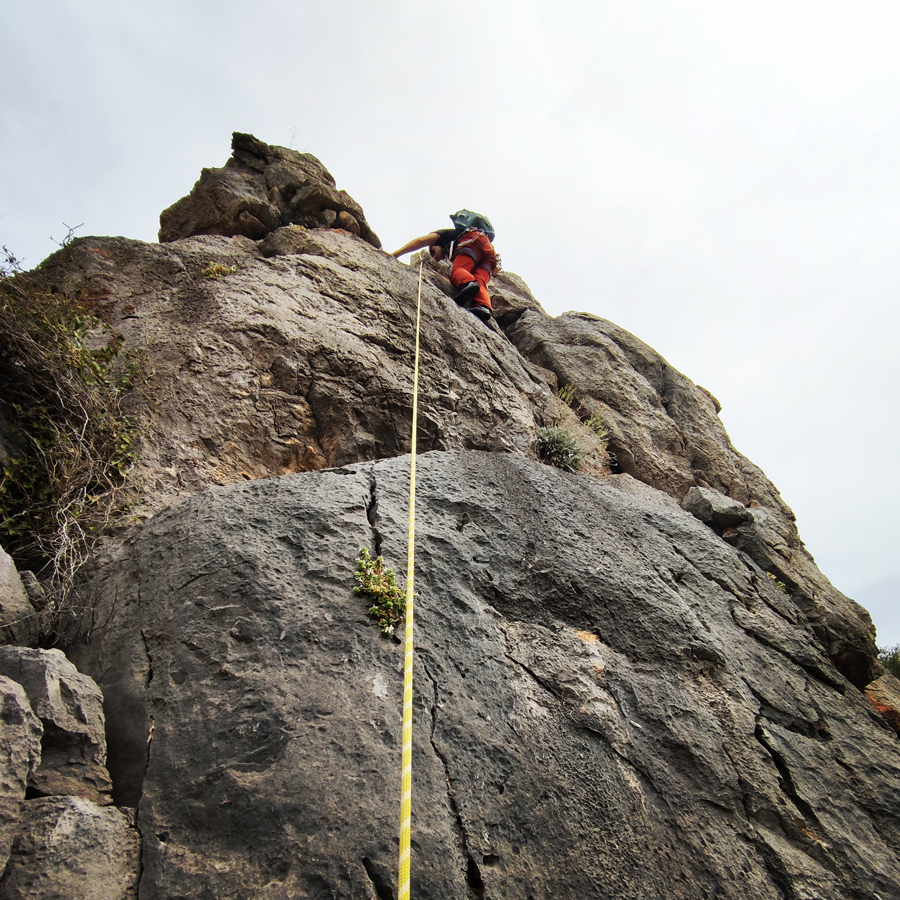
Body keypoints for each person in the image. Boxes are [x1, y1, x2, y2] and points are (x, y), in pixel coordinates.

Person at [391, 217, 499, 324]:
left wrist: (395, 254)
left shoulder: (442, 235)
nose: (435, 258)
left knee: (458, 271)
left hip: (473, 240)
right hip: (490, 252)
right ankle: (484, 307)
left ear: (435, 245)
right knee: (480, 281)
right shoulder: (456, 244)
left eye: (433, 252)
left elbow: (421, 241)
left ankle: (470, 283)